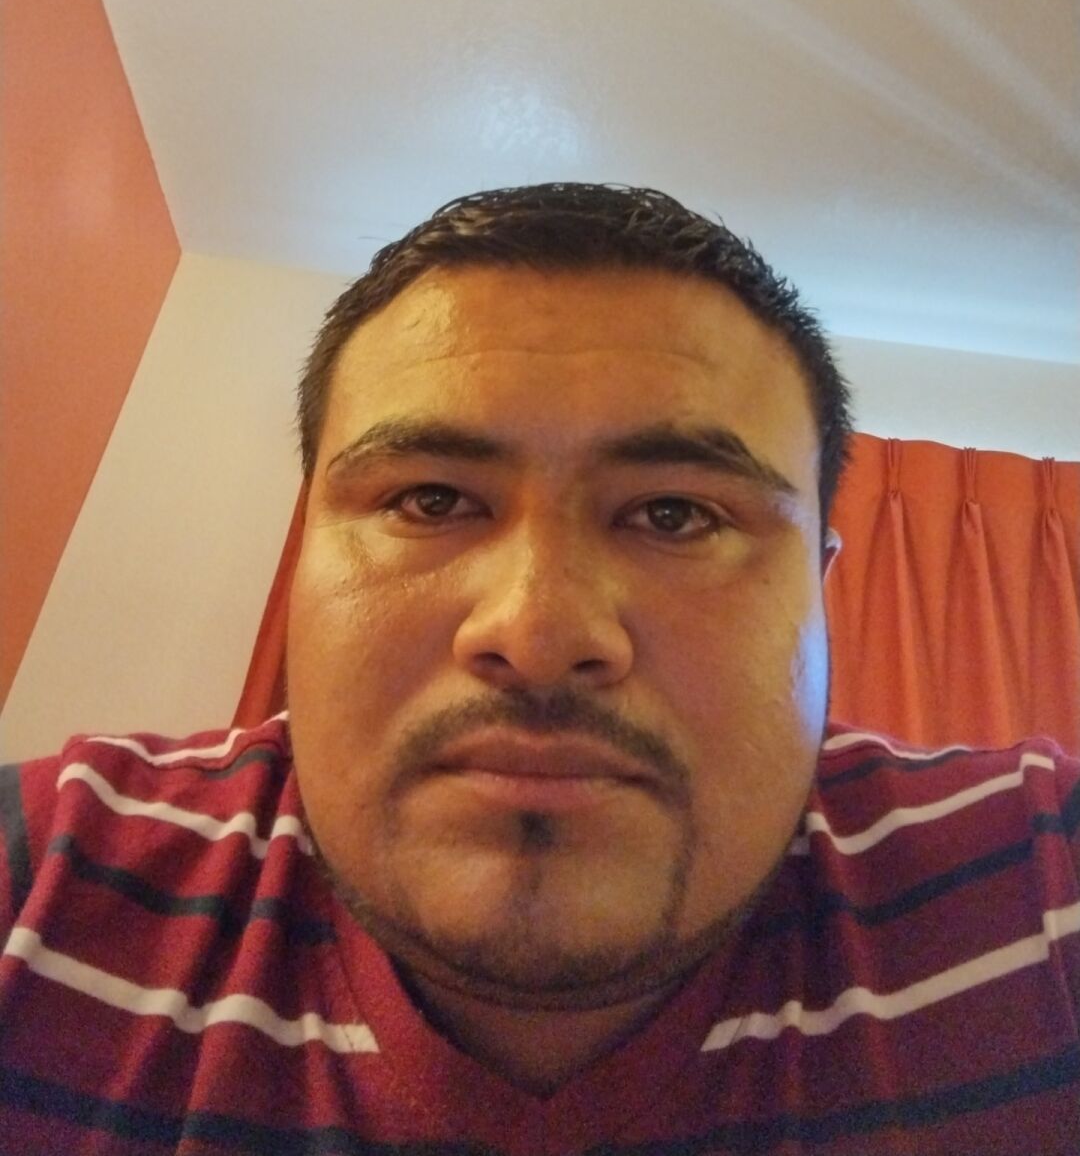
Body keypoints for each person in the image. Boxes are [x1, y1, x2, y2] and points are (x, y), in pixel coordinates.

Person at [0, 182, 1076, 1154]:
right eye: (430, 500)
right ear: (304, 558)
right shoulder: (43, 884)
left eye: (676, 514)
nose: (540, 630)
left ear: (819, 590)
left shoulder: (1040, 889)